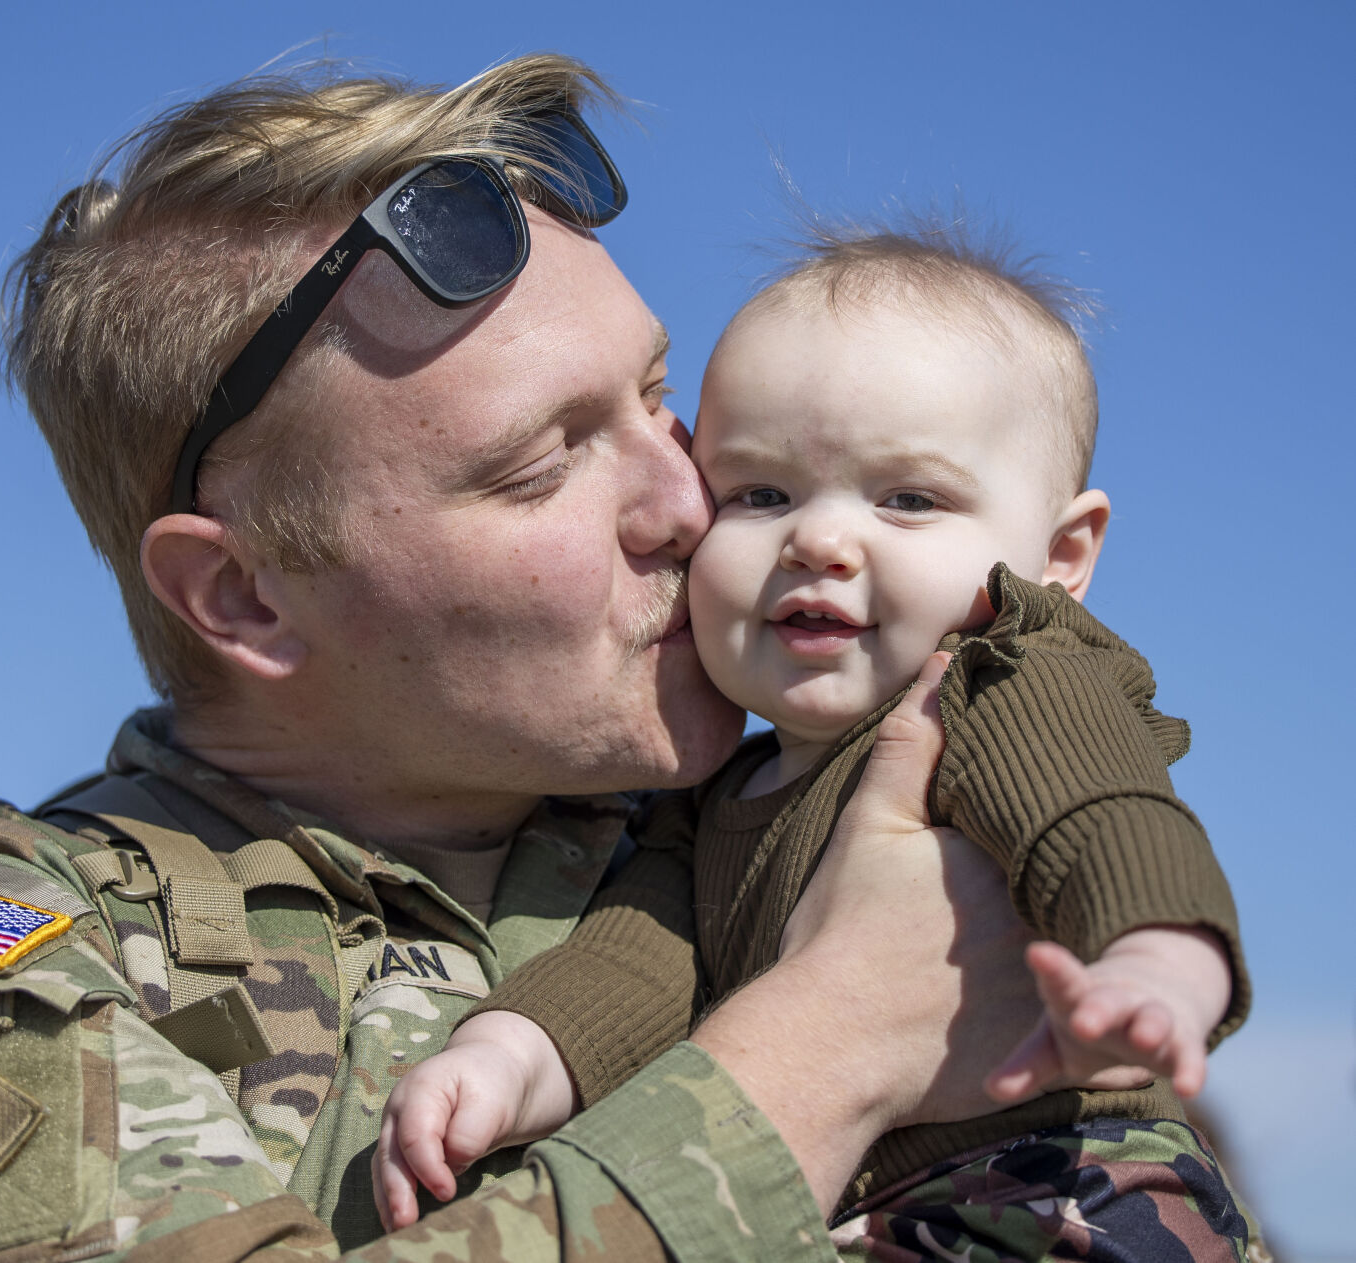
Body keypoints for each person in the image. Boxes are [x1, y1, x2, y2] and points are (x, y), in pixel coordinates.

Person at [0, 57, 1248, 1263]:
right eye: (540, 467)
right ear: (244, 595)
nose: (689, 503)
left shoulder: (827, 817)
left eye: (662, 402)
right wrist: (827, 1043)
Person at [375, 226, 1259, 1254]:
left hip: (1064, 1192)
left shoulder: (1004, 678)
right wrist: (508, 1054)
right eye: (761, 494)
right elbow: (638, 958)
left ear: (1061, 554)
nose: (819, 541)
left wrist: (1153, 965)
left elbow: (1100, 815)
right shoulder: (721, 792)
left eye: (907, 500)